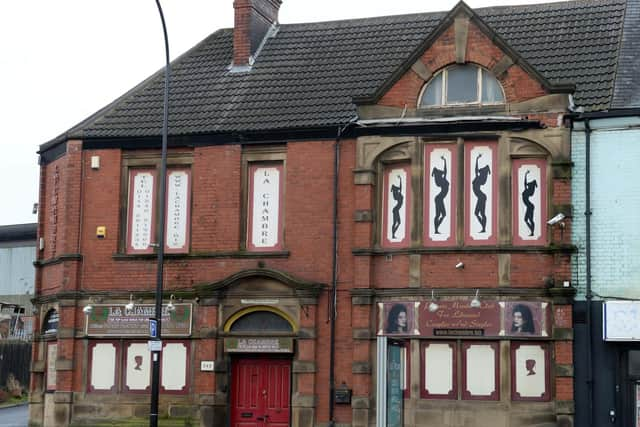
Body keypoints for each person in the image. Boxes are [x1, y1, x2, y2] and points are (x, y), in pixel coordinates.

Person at [472, 153, 491, 233]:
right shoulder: (478, 177)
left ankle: (484, 228)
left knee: (481, 213)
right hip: (480, 196)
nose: (480, 170)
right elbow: (476, 169)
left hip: (481, 197)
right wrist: (477, 159)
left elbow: (477, 170)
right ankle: (483, 228)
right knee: (477, 213)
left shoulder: (481, 179)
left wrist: (477, 159)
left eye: (481, 170)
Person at [432, 156, 449, 234]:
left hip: (440, 198)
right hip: (439, 199)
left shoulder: (442, 179)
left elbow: (445, 171)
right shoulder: (439, 181)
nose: (442, 173)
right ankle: (435, 230)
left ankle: (436, 229)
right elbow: (444, 172)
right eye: (440, 172)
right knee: (438, 215)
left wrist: (445, 161)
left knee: (443, 215)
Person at [522, 170, 538, 236]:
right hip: (529, 206)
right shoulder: (527, 190)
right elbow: (525, 183)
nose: (528, 185)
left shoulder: (529, 191)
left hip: (530, 206)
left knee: (530, 219)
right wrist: (525, 174)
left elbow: (525, 184)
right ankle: (532, 232)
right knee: (527, 220)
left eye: (530, 185)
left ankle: (532, 232)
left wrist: (526, 175)